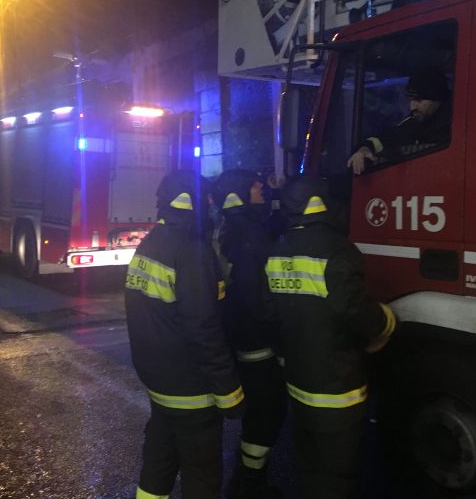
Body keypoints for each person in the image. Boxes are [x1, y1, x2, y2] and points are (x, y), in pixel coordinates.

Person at [264, 175, 396, 498]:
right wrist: (386, 323)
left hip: (298, 385)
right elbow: (354, 310)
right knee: (338, 477)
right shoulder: (337, 248)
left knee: (308, 468)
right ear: (321, 203)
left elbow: (271, 316)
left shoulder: (278, 249)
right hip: (338, 392)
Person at [125, 169, 245, 499]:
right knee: (202, 476)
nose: (211, 206)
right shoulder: (191, 252)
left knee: (159, 461)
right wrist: (229, 391)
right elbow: (203, 328)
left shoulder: (150, 244)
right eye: (206, 200)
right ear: (190, 202)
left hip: (160, 386)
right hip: (191, 390)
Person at [212, 169, 287, 499]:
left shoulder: (233, 229)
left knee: (259, 414)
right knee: (266, 414)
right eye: (256, 189)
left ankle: (247, 480)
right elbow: (259, 300)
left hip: (239, 339)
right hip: (257, 346)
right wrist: (282, 344)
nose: (262, 192)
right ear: (239, 195)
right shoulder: (247, 236)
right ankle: (250, 485)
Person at [347, 67, 452, 175]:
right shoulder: (414, 122)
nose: (412, 107)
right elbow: (385, 139)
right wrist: (364, 150)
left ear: (438, 99)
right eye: (411, 100)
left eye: (419, 100)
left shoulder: (454, 124)